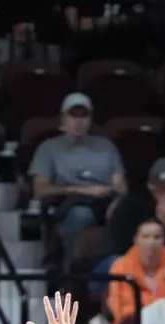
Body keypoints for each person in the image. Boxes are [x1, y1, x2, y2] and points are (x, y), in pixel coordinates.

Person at [30, 92, 126, 263]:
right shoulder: (48, 148)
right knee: (81, 215)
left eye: (84, 116)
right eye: (73, 115)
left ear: (90, 119)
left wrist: (117, 202)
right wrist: (82, 190)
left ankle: (120, 269)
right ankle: (73, 270)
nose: (79, 121)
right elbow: (40, 190)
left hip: (105, 202)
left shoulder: (106, 146)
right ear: (63, 119)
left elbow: (121, 186)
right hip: (69, 204)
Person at [105, 218, 165, 324]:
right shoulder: (120, 266)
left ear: (164, 240)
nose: (151, 242)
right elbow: (116, 305)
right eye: (145, 236)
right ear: (136, 240)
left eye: (157, 237)